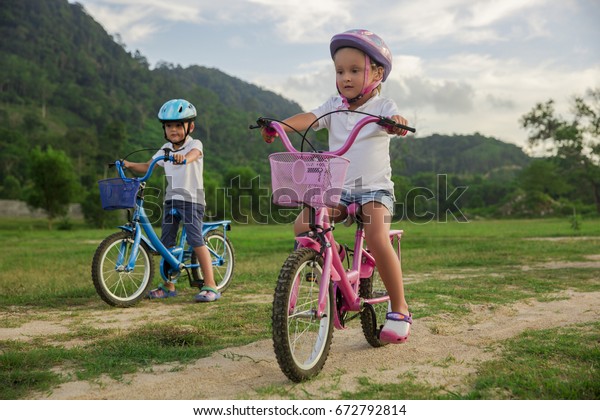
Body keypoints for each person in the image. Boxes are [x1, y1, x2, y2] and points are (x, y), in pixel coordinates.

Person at [261, 29, 412, 343]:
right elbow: (310, 117)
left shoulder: (383, 106)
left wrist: (395, 122)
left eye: (355, 70)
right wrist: (281, 124)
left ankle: (400, 308)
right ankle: (333, 254)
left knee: (376, 236)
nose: (346, 77)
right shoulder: (334, 105)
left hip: (374, 190)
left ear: (377, 73)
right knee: (303, 227)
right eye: (340, 71)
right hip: (338, 189)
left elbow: (396, 116)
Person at [123, 99, 220, 302]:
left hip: (192, 200)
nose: (173, 130)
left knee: (195, 240)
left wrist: (183, 158)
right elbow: (148, 165)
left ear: (190, 126)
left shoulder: (195, 144)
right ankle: (168, 285)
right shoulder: (165, 148)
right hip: (171, 199)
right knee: (166, 243)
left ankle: (210, 284)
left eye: (178, 125)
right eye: (169, 126)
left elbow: (194, 155)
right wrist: (128, 164)